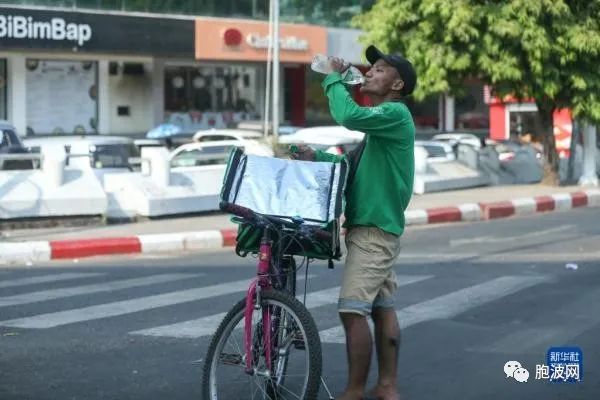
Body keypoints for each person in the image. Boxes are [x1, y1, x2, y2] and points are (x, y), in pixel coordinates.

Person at [291, 45, 417, 400]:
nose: (370, 72)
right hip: (378, 225)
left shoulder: (395, 113)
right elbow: (350, 167)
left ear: (396, 85)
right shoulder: (381, 127)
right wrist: (314, 156)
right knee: (381, 306)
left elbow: (346, 116)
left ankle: (354, 391)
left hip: (375, 229)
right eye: (372, 68)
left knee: (351, 310)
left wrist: (332, 76)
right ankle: (387, 386)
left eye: (379, 69)